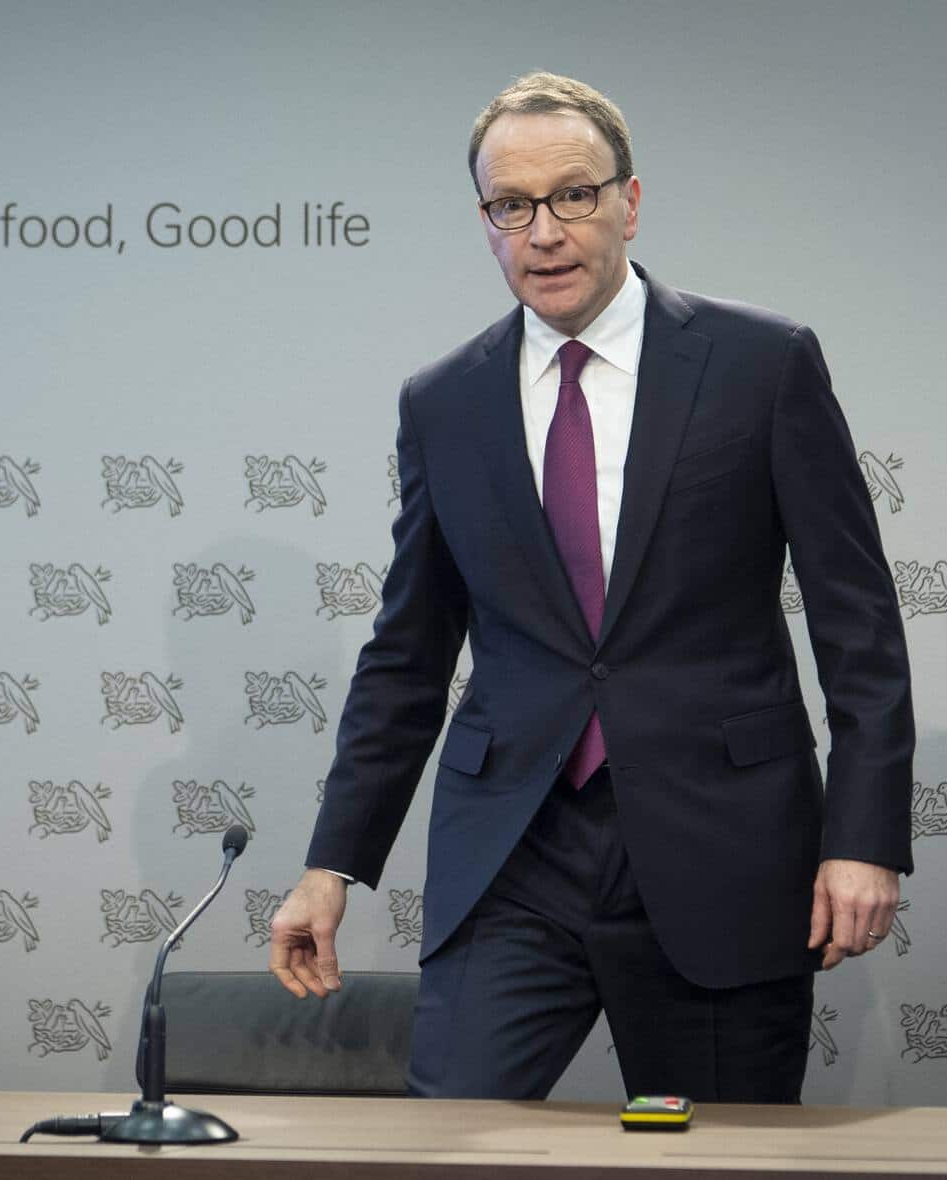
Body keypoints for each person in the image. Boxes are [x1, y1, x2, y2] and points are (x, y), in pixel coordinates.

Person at [268, 71, 914, 1103]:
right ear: (486, 223)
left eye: (573, 195)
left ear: (630, 201)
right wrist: (330, 860)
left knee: (718, 1163)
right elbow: (408, 649)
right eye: (511, 206)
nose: (545, 231)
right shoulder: (445, 400)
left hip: (722, 840)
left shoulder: (762, 363)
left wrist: (865, 840)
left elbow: (859, 625)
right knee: (449, 1145)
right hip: (516, 846)